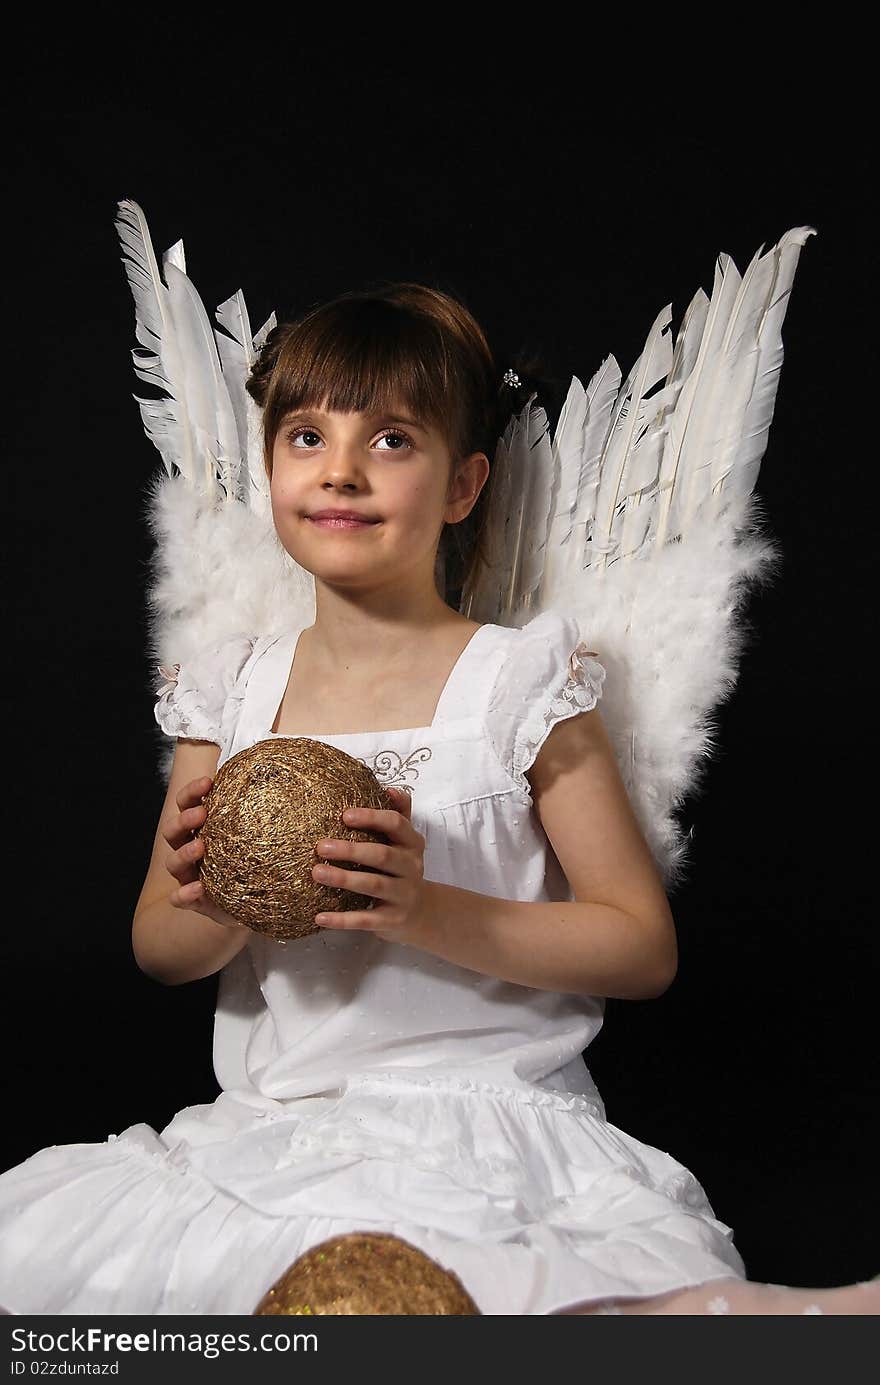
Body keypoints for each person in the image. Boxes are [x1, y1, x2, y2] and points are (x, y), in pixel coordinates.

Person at [0, 284, 875, 1317]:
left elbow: (641, 947)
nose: (340, 468)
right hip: (280, 1125)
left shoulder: (520, 687)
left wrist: (426, 910)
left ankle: (789, 1325)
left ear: (463, 485)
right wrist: (229, 894)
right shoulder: (228, 693)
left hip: (490, 1122)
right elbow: (159, 944)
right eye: (306, 435)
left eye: (392, 440)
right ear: (271, 463)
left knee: (496, 1294)